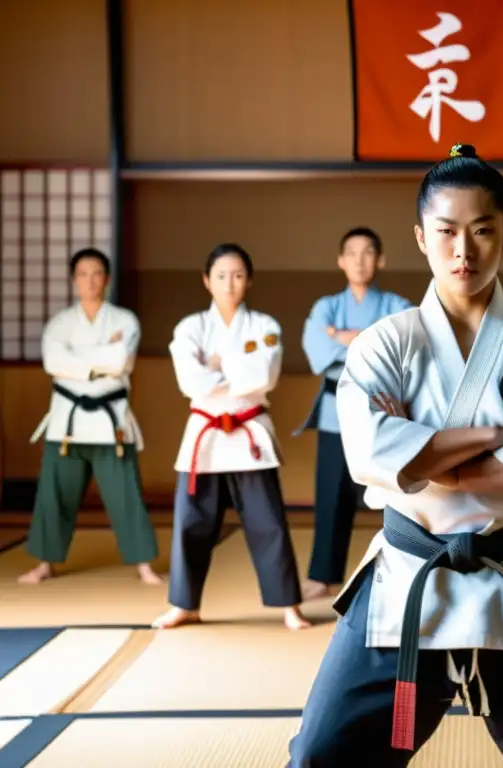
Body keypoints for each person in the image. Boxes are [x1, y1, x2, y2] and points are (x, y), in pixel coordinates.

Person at [288, 145, 503, 766]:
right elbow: (370, 452)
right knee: (319, 754)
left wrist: (425, 452)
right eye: (447, 232)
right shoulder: (383, 345)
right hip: (408, 569)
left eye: (482, 231)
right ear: (421, 238)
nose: (464, 251)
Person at [151, 243, 309, 631]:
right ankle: (184, 604)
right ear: (207, 281)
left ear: (249, 280)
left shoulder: (265, 327)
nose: (230, 283)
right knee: (191, 523)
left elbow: (264, 376)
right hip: (204, 439)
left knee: (268, 523)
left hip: (248, 436)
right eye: (221, 275)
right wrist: (235, 370)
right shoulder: (190, 327)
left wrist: (218, 366)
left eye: (238, 275)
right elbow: (190, 382)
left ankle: (289, 604)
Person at [18, 247, 161, 586]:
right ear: (74, 280)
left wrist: (78, 360)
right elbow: (54, 363)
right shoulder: (60, 323)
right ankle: (44, 564)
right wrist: (101, 359)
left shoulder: (125, 321)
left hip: (111, 421)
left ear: (107, 279)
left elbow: (122, 360)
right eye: (83, 274)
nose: (90, 280)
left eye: (97, 273)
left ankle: (144, 565)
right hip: (66, 420)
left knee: (126, 492)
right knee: (54, 494)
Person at [296, 228, 412, 600]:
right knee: (331, 495)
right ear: (341, 260)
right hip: (336, 413)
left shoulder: (398, 304)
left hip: (383, 411)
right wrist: (368, 339)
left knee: (397, 492)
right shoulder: (325, 307)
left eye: (368, 253)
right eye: (352, 253)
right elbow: (317, 350)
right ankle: (324, 575)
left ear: (380, 260)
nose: (360, 260)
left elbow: (401, 350)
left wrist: (344, 337)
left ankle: (403, 568)